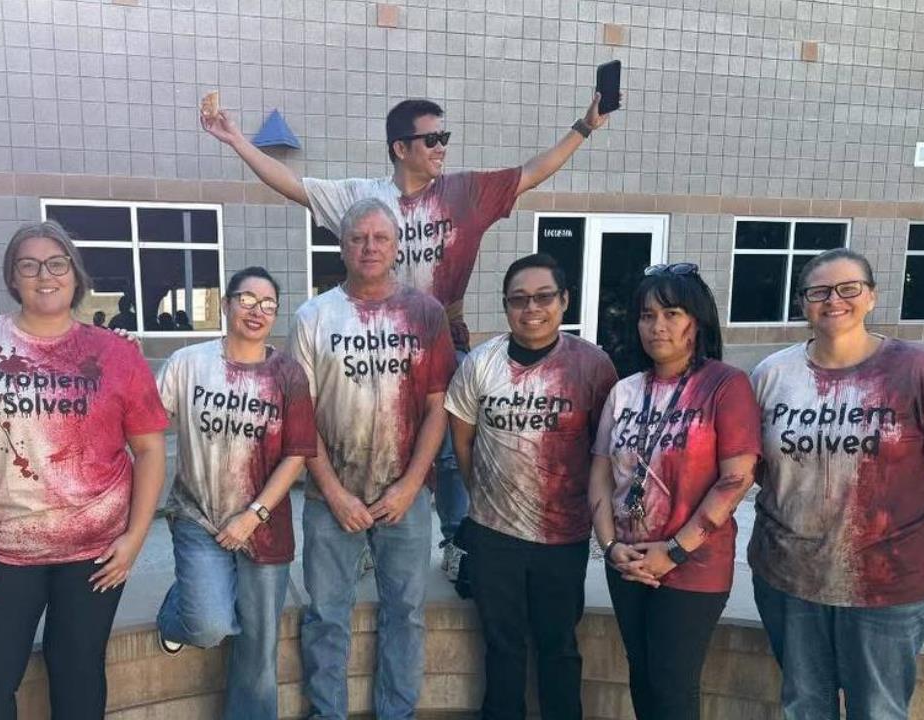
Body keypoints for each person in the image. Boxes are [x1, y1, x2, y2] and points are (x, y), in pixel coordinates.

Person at [204, 87, 620, 580]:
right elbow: (291, 184)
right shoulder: (362, 199)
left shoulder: (465, 192)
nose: (443, 146)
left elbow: (531, 173)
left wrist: (584, 127)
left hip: (444, 335)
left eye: (445, 137)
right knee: (363, 435)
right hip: (373, 342)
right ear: (400, 148)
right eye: (432, 138)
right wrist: (234, 139)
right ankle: (361, 536)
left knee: (448, 449)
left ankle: (457, 538)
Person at [0, 221, 169, 720]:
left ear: (75, 274)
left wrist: (135, 538)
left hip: (96, 556)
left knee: (79, 676)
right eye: (27, 265)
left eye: (56, 263)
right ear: (13, 278)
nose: (43, 275)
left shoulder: (116, 353)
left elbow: (151, 450)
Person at [749, 248, 924, 720]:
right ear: (803, 302)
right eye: (819, 291)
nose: (834, 300)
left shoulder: (918, 373)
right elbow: (764, 469)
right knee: (805, 705)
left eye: (849, 288)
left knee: (878, 710)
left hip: (889, 583)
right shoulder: (772, 375)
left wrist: (889, 527)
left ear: (871, 297)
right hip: (790, 575)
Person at [288, 198, 457, 720]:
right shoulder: (313, 315)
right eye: (358, 237)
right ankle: (327, 713)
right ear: (342, 245)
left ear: (396, 245)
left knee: (405, 612)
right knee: (325, 614)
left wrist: (410, 485)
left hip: (404, 497)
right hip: (328, 497)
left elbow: (438, 408)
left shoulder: (425, 314)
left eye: (380, 238)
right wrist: (335, 492)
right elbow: (300, 414)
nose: (369, 247)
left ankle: (397, 713)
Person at [446, 254, 617, 720]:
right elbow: (463, 439)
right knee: (501, 645)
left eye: (543, 297)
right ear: (505, 307)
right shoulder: (482, 363)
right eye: (518, 300)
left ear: (563, 301)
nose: (531, 308)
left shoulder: (593, 366)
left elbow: (606, 450)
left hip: (563, 537)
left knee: (558, 644)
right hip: (493, 534)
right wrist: (483, 496)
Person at [587, 263, 761, 720]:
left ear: (696, 322)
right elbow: (601, 472)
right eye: (647, 315)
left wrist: (674, 551)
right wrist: (609, 547)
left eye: (672, 313)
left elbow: (736, 479)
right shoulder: (624, 391)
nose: (657, 325)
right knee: (641, 676)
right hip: (627, 560)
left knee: (672, 684)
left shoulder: (725, 384)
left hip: (692, 567)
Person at [154, 266, 317, 719]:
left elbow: (298, 453)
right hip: (198, 516)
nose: (257, 311)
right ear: (225, 303)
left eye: (268, 304)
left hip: (264, 529)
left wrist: (253, 514)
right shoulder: (189, 364)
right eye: (247, 299)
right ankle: (176, 608)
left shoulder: (288, 375)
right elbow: (145, 421)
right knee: (208, 626)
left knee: (259, 648)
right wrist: (122, 358)